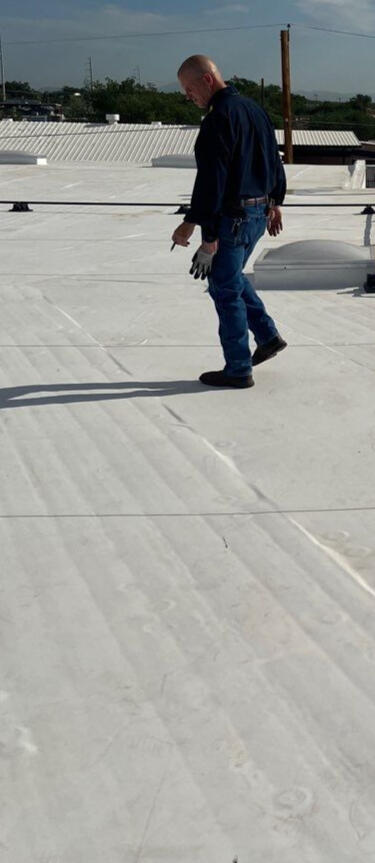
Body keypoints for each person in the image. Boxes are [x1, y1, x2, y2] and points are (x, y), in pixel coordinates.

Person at [172, 54, 287, 389]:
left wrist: (206, 236)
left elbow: (212, 183)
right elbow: (273, 161)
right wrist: (275, 202)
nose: (188, 96)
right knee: (231, 277)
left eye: (189, 89)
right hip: (257, 215)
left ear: (207, 80)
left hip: (233, 219)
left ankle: (238, 369)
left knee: (224, 289)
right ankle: (267, 336)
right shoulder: (254, 110)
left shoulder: (217, 119)